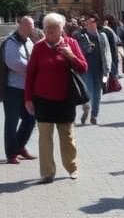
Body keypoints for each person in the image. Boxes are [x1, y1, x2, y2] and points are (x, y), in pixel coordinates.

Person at [24, 13, 87, 183]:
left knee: (67, 136)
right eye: (47, 28)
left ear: (62, 29)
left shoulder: (71, 43)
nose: (50, 31)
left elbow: (83, 67)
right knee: (45, 137)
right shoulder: (38, 47)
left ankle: (72, 167)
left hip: (65, 99)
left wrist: (70, 55)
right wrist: (28, 98)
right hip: (42, 99)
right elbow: (30, 74)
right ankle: (47, 172)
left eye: (54, 27)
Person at [2, 16, 37, 164]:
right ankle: (11, 153)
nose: (31, 29)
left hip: (27, 88)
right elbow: (13, 63)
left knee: (30, 118)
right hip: (12, 88)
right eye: (28, 26)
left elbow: (34, 58)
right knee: (12, 121)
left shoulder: (29, 41)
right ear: (20, 25)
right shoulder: (10, 42)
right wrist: (33, 68)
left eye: (32, 26)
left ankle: (20, 146)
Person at [74, 13, 111, 125]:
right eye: (87, 22)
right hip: (87, 69)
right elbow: (78, 51)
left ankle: (94, 115)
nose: (88, 24)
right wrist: (87, 49)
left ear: (96, 23)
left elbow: (107, 51)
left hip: (100, 68)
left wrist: (108, 68)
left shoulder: (102, 36)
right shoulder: (81, 36)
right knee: (89, 90)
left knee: (98, 92)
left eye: (91, 22)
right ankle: (87, 107)